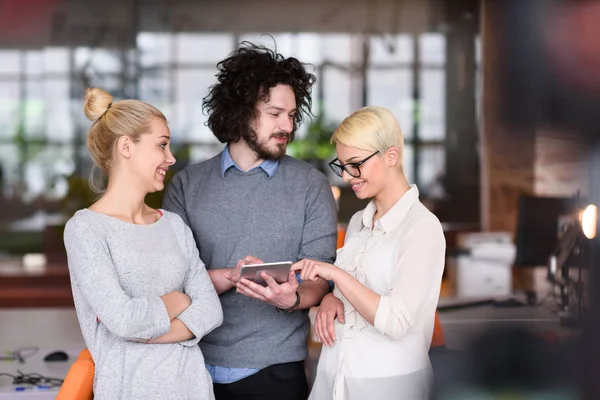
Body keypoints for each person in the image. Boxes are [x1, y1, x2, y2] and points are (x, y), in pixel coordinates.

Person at [162, 42, 338, 400]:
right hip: (190, 365)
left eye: (291, 115)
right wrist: (230, 276)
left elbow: (320, 278)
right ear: (242, 113)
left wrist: (290, 299)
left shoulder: (311, 186)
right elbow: (172, 280)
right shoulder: (187, 184)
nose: (287, 125)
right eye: (275, 113)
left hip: (275, 374)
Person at [63, 88, 223, 400]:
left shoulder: (173, 225)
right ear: (126, 146)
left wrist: (147, 333)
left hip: (192, 389)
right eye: (162, 145)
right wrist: (178, 300)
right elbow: (124, 320)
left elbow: (211, 309)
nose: (171, 157)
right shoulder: (85, 229)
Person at [293, 106, 446, 400]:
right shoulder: (358, 222)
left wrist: (333, 274)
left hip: (389, 385)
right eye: (342, 165)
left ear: (391, 156)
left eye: (356, 164)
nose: (349, 176)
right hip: (335, 376)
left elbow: (396, 321)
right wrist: (329, 297)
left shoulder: (422, 227)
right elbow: (353, 296)